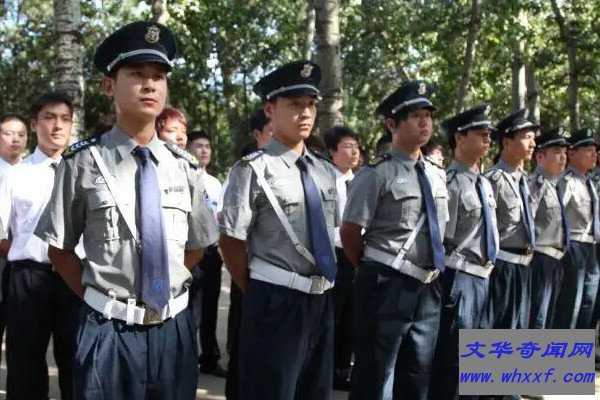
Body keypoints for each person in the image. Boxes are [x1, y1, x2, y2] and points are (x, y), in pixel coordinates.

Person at [34, 21, 218, 399]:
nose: (149, 85)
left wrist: (162, 287)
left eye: (158, 76)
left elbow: (197, 245)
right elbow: (59, 249)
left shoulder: (184, 167)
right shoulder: (82, 163)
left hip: (173, 329)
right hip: (108, 331)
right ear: (109, 86)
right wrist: (101, 298)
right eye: (136, 74)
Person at [219, 60, 338, 400]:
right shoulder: (253, 169)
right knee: (272, 391)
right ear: (270, 109)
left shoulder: (323, 170)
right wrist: (258, 288)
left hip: (320, 298)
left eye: (311, 104)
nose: (306, 113)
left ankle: (485, 385)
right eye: (295, 104)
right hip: (276, 297)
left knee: (315, 391)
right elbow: (230, 241)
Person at [341, 80, 448, 400]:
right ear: (392, 124)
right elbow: (350, 231)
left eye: (428, 115)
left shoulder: (436, 173)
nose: (424, 122)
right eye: (415, 116)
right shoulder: (376, 173)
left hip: (427, 285)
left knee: (418, 372)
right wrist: (369, 267)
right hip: (386, 281)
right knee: (376, 374)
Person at [0, 92, 79, 400]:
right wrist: (26, 255)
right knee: (25, 364)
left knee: (77, 361)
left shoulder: (83, 173)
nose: (57, 126)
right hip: (28, 278)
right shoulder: (16, 174)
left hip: (75, 279)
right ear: (34, 124)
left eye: (65, 119)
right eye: (49, 117)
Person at [429, 104, 498, 400]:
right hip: (460, 276)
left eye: (489, 134)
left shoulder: (484, 183)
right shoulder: (451, 183)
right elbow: (441, 238)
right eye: (481, 134)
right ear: (459, 138)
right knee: (454, 355)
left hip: (483, 276)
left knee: (478, 355)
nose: (488, 140)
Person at [223, 109, 272, 400]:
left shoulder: (306, 168)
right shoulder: (244, 171)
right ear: (257, 135)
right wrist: (247, 285)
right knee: (246, 345)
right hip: (252, 274)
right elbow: (231, 236)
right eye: (271, 130)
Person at [482, 108, 537, 332]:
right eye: (527, 138)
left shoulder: (525, 181)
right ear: (506, 143)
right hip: (502, 267)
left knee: (519, 329)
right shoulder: (492, 180)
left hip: (525, 266)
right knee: (500, 330)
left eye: (533, 138)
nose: (533, 144)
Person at [186, 130, 227, 377]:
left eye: (208, 146)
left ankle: (210, 358)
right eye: (199, 146)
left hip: (212, 252)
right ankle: (187, 358)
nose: (204, 151)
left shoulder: (214, 183)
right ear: (188, 149)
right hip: (190, 252)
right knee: (191, 309)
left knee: (211, 307)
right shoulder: (183, 177)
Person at [323, 125, 360, 391]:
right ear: (332, 152)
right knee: (333, 314)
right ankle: (326, 368)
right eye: (348, 146)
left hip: (358, 255)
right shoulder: (325, 181)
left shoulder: (363, 180)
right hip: (334, 255)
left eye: (356, 146)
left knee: (352, 316)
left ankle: (343, 369)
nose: (354, 151)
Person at [554, 128, 599, 329]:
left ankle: (582, 346)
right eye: (588, 149)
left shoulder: (589, 182)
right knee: (571, 304)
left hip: (591, 248)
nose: (594, 154)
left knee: (589, 302)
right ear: (572, 153)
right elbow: (556, 215)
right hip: (574, 246)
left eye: (595, 150)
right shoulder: (566, 181)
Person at [528, 127, 570, 329]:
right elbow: (527, 223)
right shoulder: (535, 184)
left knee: (548, 319)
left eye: (565, 153)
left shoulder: (555, 185)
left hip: (556, 260)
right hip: (540, 259)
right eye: (557, 152)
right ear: (540, 157)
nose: (563, 158)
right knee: (537, 317)